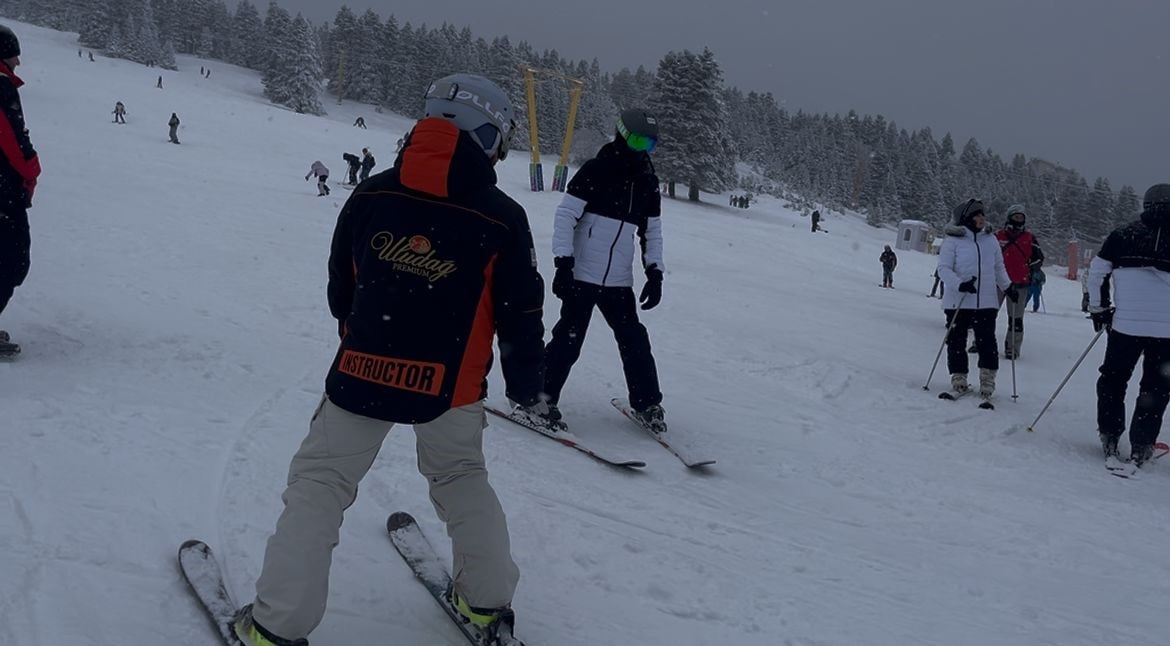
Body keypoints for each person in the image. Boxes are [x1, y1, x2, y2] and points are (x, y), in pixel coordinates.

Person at [230, 72, 540, 646]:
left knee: (321, 483)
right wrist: (525, 384)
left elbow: (339, 289)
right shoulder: (501, 216)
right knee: (460, 475)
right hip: (452, 385)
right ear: (490, 135)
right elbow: (520, 312)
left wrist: (367, 334)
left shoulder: (372, 192)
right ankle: (485, 602)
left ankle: (276, 626)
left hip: (363, 368)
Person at [543, 108, 666, 432]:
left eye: (649, 145)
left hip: (618, 280)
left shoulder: (648, 183)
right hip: (582, 273)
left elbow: (651, 231)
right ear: (622, 135)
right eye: (637, 141)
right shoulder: (596, 170)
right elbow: (566, 216)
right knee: (569, 339)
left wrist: (655, 272)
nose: (642, 150)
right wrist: (563, 263)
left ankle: (647, 403)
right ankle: (539, 397)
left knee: (634, 340)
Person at [1088, 183, 1170, 468]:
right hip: (1167, 331)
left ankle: (1110, 434)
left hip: (1126, 326)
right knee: (1156, 387)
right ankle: (1142, 444)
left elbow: (1098, 272)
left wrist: (1099, 309)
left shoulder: (1123, 234)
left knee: (1113, 378)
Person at [937, 199, 1012, 398]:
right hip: (958, 300)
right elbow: (943, 269)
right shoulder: (953, 240)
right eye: (976, 215)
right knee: (956, 340)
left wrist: (1008, 286)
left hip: (986, 300)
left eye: (982, 214)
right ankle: (959, 377)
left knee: (987, 341)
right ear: (966, 219)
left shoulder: (990, 239)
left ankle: (987, 381)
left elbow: (998, 267)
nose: (981, 218)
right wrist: (959, 284)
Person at [0, 24, 40, 359]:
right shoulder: (0, 88)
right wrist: (31, 169)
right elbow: (11, 138)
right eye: (14, 54)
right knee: (11, 259)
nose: (18, 62)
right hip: (3, 190)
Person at [995, 205, 1043, 359]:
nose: (1019, 220)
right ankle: (980, 341)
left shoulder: (1030, 238)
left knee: (1015, 318)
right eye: (1016, 217)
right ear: (1009, 217)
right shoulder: (998, 236)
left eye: (1021, 217)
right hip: (997, 282)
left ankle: (1013, 347)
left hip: (1019, 283)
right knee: (987, 314)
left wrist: (1031, 268)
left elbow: (1039, 257)